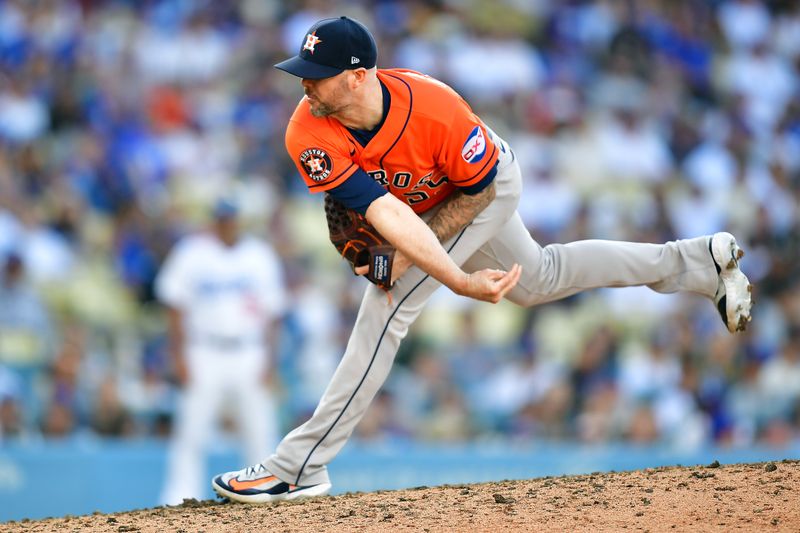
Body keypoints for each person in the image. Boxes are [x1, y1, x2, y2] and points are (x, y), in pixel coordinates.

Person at [212, 16, 752, 503]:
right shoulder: (307, 127)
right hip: (421, 209)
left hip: (486, 186)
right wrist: (406, 259)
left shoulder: (435, 110)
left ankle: (299, 466)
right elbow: (383, 214)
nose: (305, 83)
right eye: (303, 70)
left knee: (386, 307)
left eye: (318, 72)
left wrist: (451, 279)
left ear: (357, 76)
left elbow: (474, 197)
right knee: (540, 278)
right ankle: (698, 261)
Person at [158, 198, 288, 505]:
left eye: (231, 218)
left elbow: (273, 315)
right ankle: (178, 499)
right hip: (204, 350)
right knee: (191, 431)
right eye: (222, 218)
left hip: (249, 350)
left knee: (259, 431)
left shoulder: (259, 255)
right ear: (214, 220)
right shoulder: (192, 253)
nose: (227, 223)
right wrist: (178, 357)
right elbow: (174, 306)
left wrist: (270, 362)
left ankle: (262, 495)